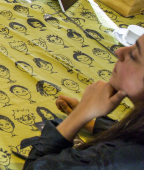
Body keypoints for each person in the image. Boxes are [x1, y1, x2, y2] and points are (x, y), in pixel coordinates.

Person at [20, 34, 144, 169]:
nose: (119, 51)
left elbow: (34, 167)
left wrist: (79, 115)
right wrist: (91, 122)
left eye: (134, 56)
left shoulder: (118, 157)